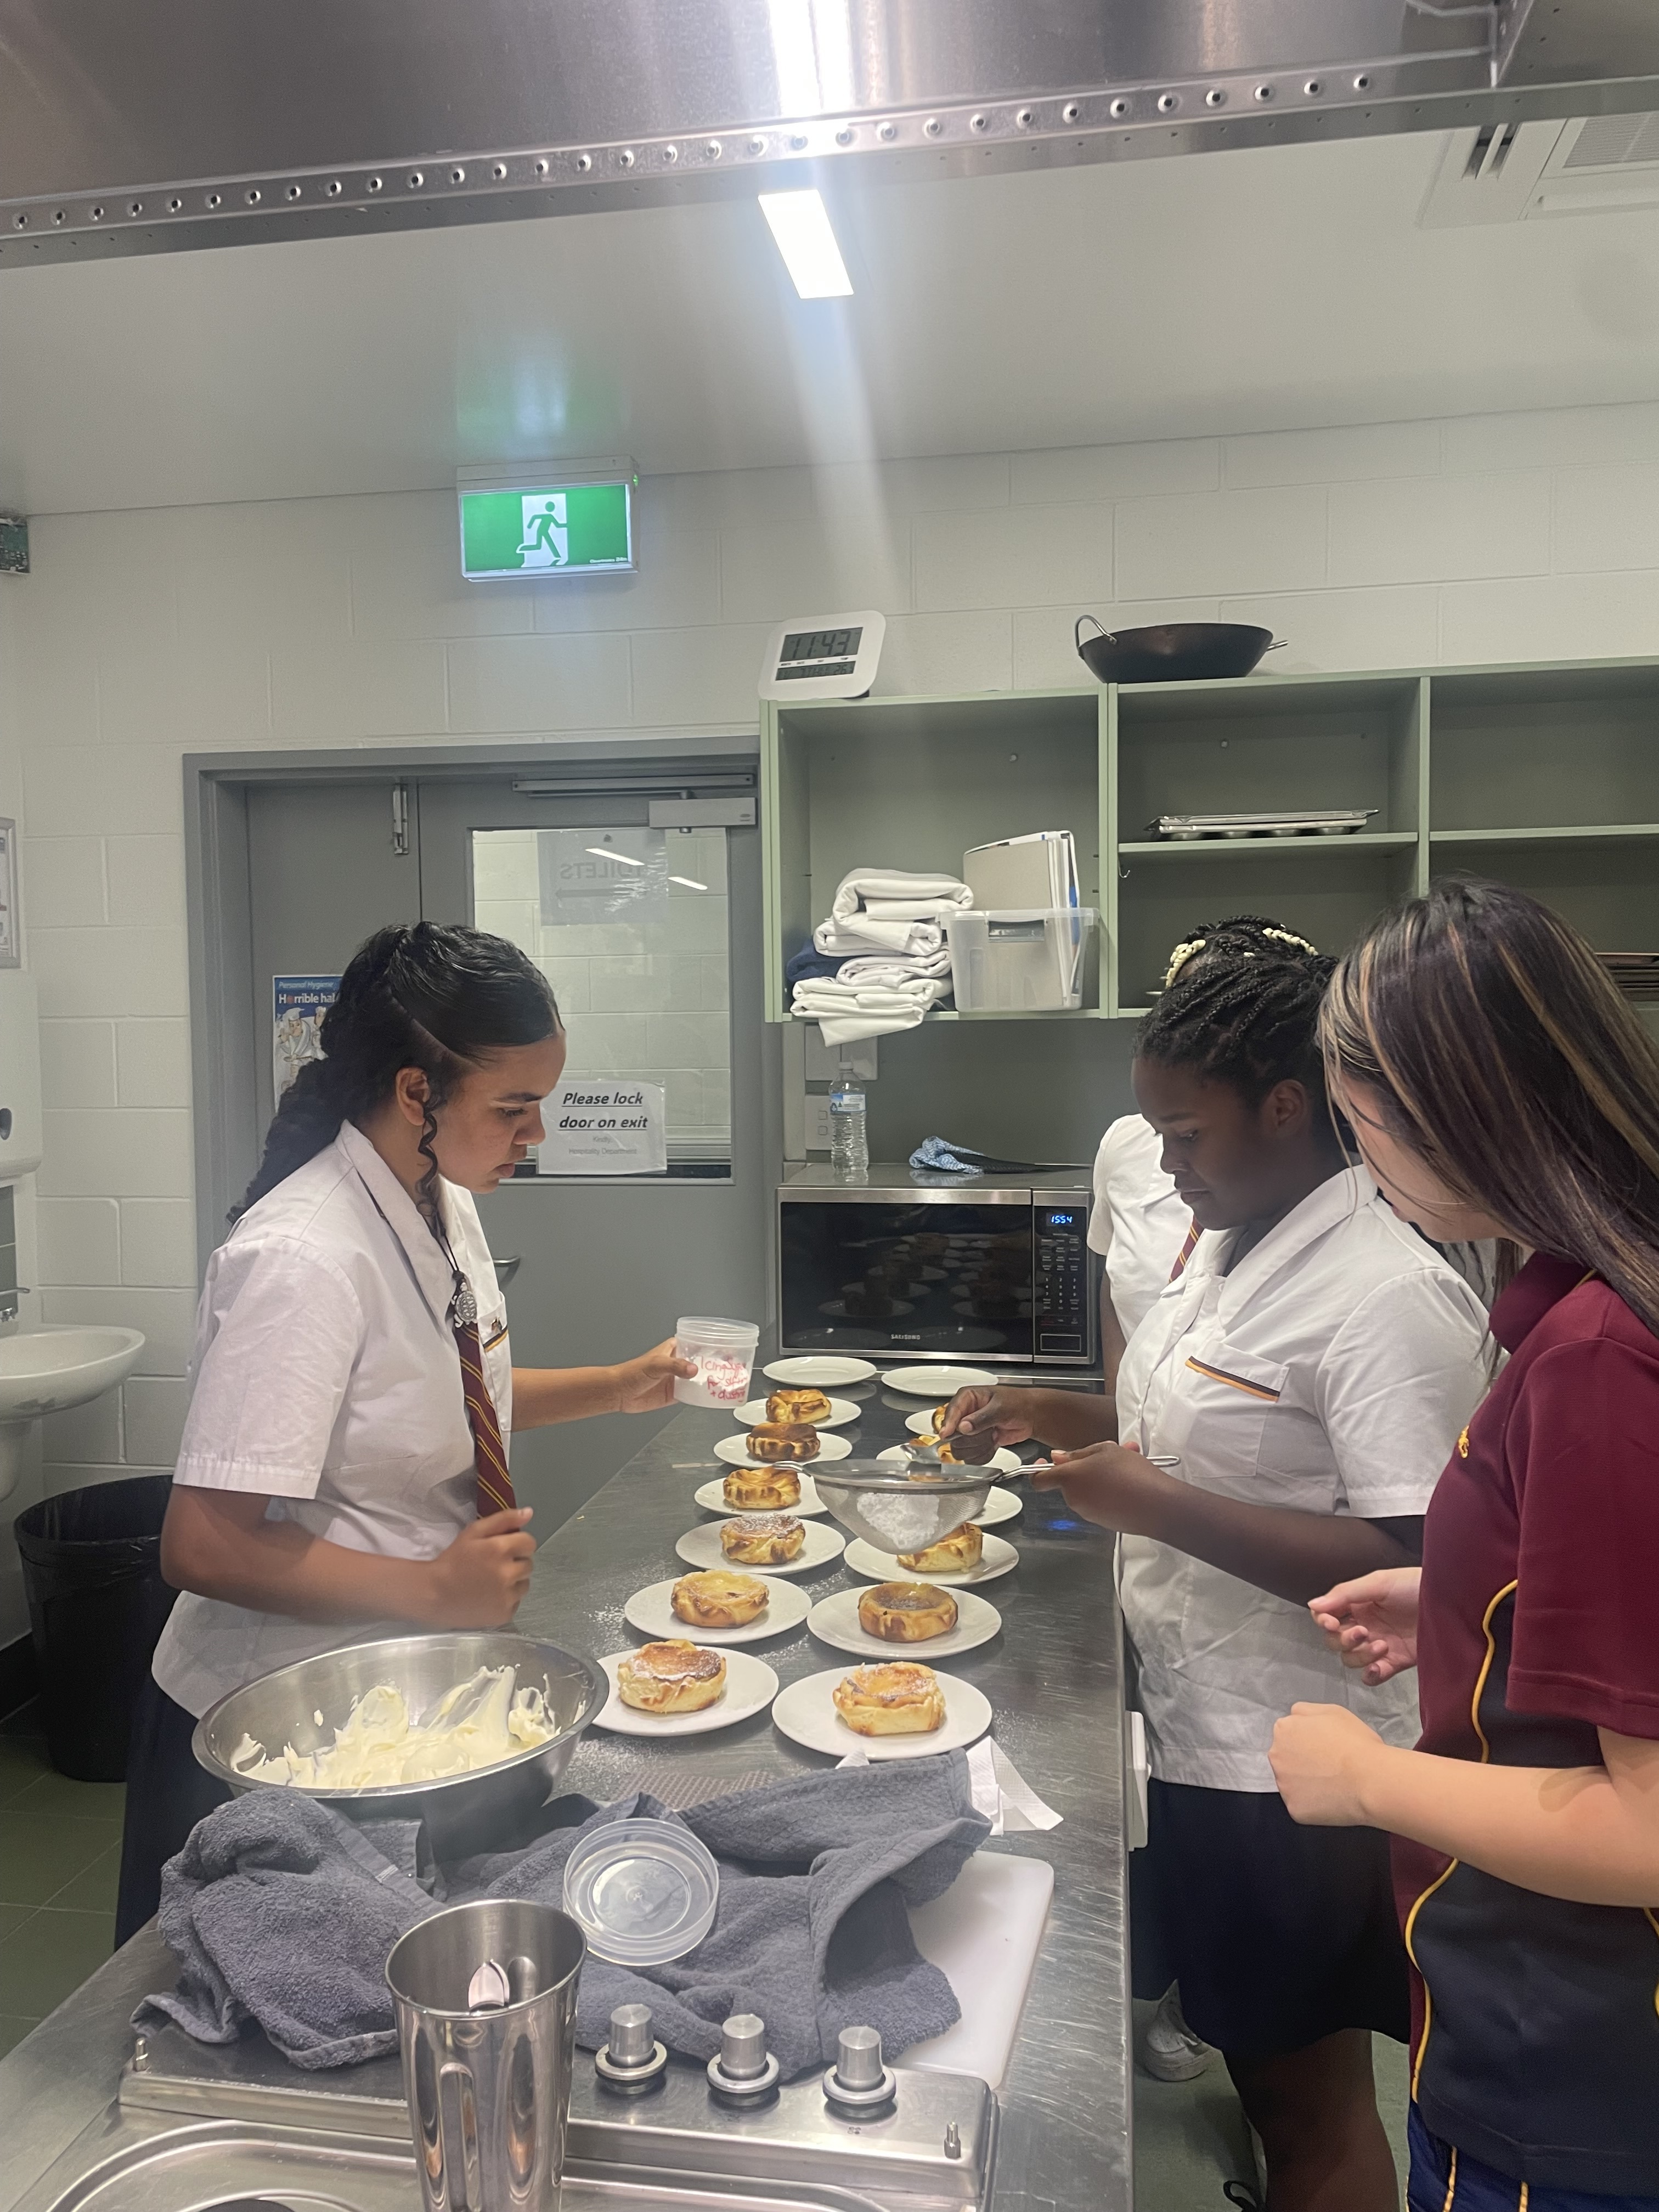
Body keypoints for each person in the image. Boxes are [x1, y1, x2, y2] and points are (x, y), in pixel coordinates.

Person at [942, 920, 1488, 2212]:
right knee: (1257, 2073)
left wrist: (1154, 1504)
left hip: (1297, 1762)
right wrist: (1046, 1410)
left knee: (1311, 2109)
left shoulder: (1386, 1293)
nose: (1166, 1163)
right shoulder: (1233, 1245)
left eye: (1187, 1136)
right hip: (1197, 1725)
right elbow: (1192, 1432)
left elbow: (1426, 1565)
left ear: (1286, 1106)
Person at [116, 922, 693, 1943]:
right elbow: (201, 1543)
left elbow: (432, 1407)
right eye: (514, 1108)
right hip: (272, 1734)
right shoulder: (304, 1258)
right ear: (416, 1092)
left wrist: (617, 1385)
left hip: (395, 1697)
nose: (537, 1136)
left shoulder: (436, 1199)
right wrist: (432, 1589)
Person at [1270, 878, 1659, 2210]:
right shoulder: (1585, 1298)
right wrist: (1458, 1593)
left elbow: (1648, 1827)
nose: (1361, 1157)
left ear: (1450, 1108)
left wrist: (1363, 1780)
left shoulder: (1604, 1354)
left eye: (1360, 1120)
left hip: (1574, 2074)